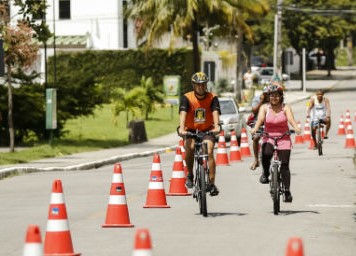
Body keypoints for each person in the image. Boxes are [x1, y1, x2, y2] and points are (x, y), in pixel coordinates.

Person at [250, 84, 301, 202]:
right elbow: (260, 120)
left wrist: (296, 128)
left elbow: (291, 120)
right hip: (269, 137)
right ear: (269, 97)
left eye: (277, 95)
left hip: (284, 138)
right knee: (266, 154)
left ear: (281, 96)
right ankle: (266, 173)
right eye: (272, 95)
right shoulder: (264, 108)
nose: (274, 98)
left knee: (284, 165)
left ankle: (287, 191)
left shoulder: (286, 108)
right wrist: (255, 128)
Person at [178, 72, 221, 196]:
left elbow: (215, 112)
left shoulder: (212, 97)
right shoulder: (187, 98)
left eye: (203, 85)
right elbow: (183, 113)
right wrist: (182, 129)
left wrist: (217, 126)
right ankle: (190, 175)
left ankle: (212, 184)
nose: (201, 87)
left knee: (209, 149)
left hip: (207, 129)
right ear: (194, 85)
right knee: (190, 147)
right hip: (190, 130)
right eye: (198, 85)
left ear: (206, 85)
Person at [249, 85, 270, 170]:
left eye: (269, 94)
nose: (267, 96)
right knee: (255, 138)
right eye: (266, 94)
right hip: (258, 123)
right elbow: (254, 110)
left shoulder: (273, 99)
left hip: (270, 123)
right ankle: (256, 160)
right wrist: (261, 101)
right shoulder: (257, 99)